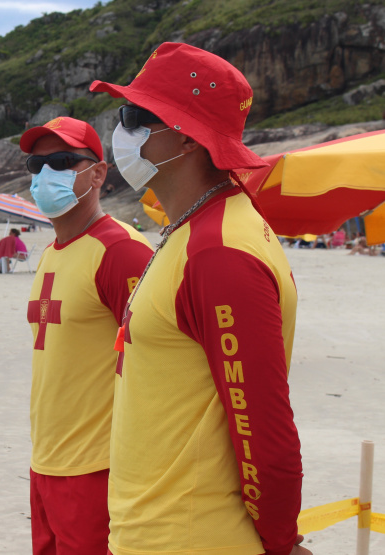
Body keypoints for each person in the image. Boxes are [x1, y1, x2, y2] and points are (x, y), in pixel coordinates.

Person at [90, 42, 308, 555]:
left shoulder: (219, 253)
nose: (120, 131)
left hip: (190, 537)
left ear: (186, 138)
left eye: (136, 116)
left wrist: (281, 541)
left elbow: (265, 430)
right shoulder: (196, 230)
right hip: (156, 530)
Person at [21, 117, 153, 554]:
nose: (44, 175)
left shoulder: (121, 253)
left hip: (98, 469)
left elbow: (161, 365)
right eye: (35, 165)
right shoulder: (51, 254)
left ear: (98, 172)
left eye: (60, 161)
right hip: (46, 463)